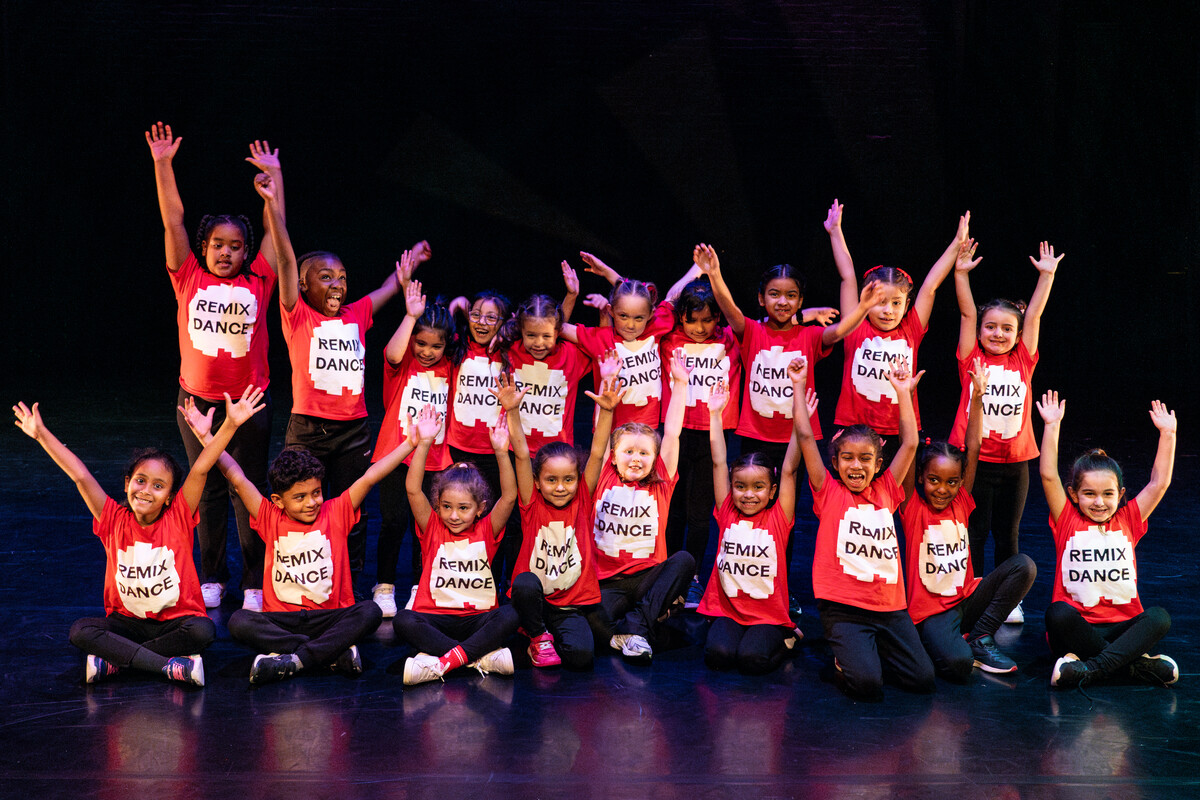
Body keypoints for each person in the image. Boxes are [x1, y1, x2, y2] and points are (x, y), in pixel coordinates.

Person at [12, 386, 266, 685]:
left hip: (176, 623)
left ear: (170, 496)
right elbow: (80, 475)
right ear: (127, 483)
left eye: (158, 486)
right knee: (81, 631)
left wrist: (230, 424)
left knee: (203, 631)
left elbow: (201, 468)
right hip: (127, 625)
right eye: (140, 480)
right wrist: (41, 435)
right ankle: (167, 666)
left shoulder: (179, 515)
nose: (146, 491)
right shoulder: (112, 519)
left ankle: (117, 661)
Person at [180, 396, 420, 684]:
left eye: (316, 492)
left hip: (330, 617)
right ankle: (331, 653)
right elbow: (236, 476)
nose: (311, 502)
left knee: (369, 611)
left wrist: (410, 444)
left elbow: (370, 477)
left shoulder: (337, 511)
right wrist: (207, 437)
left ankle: (293, 658)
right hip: (283, 620)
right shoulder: (269, 516)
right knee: (239, 621)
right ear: (278, 500)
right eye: (300, 497)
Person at [274, 160, 431, 589]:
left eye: (342, 277)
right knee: (301, 501)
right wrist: (272, 205)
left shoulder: (356, 312)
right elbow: (285, 260)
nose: (337, 284)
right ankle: (301, 578)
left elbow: (388, 289)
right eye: (325, 277)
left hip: (353, 432)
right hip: (307, 428)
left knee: (352, 509)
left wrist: (411, 264)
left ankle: (350, 584)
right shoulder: (297, 314)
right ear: (303, 286)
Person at [147, 121, 282, 612]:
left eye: (236, 245)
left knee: (248, 489)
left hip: (248, 404)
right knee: (206, 490)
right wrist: (163, 165)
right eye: (218, 244)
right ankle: (213, 576)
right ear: (204, 248)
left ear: (247, 251)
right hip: (196, 403)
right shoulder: (187, 277)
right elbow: (173, 223)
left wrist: (274, 184)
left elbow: (277, 234)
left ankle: (253, 580)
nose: (226, 252)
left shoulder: (260, 280)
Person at [795, 355, 935, 700]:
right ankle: (849, 657)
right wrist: (798, 387)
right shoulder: (828, 491)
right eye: (847, 458)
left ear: (878, 464)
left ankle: (868, 650)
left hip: (888, 607)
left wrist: (902, 393)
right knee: (867, 686)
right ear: (835, 462)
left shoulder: (887, 488)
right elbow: (804, 436)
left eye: (865, 458)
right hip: (843, 608)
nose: (855, 465)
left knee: (922, 679)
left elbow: (911, 443)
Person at [901, 360, 1035, 680]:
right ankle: (936, 641)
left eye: (951, 481)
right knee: (959, 665)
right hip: (932, 612)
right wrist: (906, 397)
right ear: (920, 478)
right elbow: (909, 447)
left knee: (1024, 566)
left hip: (966, 600)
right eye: (934, 480)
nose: (942, 489)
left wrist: (977, 398)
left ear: (961, 482)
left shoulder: (961, 500)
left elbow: (973, 447)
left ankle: (979, 636)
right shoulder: (912, 508)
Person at [1037, 392, 1180, 690]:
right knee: (1057, 614)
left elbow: (1159, 483)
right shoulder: (1066, 519)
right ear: (1074, 494)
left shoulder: (1129, 519)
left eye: (1108, 494)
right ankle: (1135, 665)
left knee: (1159, 618)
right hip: (1077, 630)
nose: (1099, 502)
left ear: (1121, 494)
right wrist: (1052, 425)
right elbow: (1048, 475)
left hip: (1123, 629)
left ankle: (1089, 669)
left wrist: (1168, 434)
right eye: (1089, 494)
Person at [951, 239, 1061, 625]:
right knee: (976, 531)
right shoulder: (971, 358)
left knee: (1008, 534)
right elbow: (967, 312)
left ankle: (1007, 600)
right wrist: (961, 275)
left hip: (1015, 464)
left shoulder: (1023, 360)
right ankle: (974, 595)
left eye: (1007, 328)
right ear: (980, 330)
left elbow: (1035, 315)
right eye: (991, 327)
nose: (998, 333)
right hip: (975, 462)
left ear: (1017, 334)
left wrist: (1046, 277)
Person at [827, 201, 970, 462]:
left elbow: (930, 286)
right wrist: (836, 231)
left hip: (900, 430)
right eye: (880, 302)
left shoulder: (911, 329)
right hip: (854, 428)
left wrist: (956, 244)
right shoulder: (854, 326)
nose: (888, 310)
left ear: (906, 305)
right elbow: (847, 276)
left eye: (896, 303)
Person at [504, 369, 623, 670]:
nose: (560, 487)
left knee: (582, 657)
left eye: (568, 479)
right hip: (534, 599)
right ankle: (536, 634)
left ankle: (548, 631)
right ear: (538, 482)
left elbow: (597, 453)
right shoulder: (531, 502)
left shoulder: (582, 499)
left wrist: (607, 413)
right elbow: (521, 455)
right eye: (551, 480)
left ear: (577, 480)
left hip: (567, 605)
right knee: (525, 583)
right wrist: (513, 411)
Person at [394, 406, 521, 685]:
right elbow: (413, 489)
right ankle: (479, 658)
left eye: (463, 508)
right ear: (437, 505)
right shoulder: (432, 527)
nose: (453, 515)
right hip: (435, 619)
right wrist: (424, 443)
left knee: (511, 613)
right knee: (404, 620)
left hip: (479, 619)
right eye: (446, 507)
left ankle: (442, 662)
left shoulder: (487, 528)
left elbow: (510, 496)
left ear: (480, 509)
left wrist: (502, 453)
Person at [696, 372, 812, 674]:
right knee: (718, 655)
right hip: (729, 611)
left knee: (752, 660)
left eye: (758, 487)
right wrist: (715, 415)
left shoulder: (778, 517)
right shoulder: (726, 511)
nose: (748, 494)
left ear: (772, 491)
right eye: (740, 487)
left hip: (767, 615)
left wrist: (800, 422)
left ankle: (789, 637)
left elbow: (789, 469)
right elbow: (718, 461)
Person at [587, 349, 695, 662]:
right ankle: (642, 628)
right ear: (614, 456)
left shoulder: (661, 481)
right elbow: (599, 441)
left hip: (649, 578)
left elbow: (672, 433)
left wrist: (680, 384)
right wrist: (607, 384)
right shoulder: (604, 475)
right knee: (588, 621)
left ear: (655, 458)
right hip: (609, 582)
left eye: (644, 454)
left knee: (684, 559)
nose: (636, 459)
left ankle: (636, 625)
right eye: (628, 452)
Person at [373, 275, 458, 616]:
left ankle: (420, 586)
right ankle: (384, 586)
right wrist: (410, 317)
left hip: (436, 460)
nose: (426, 351)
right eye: (421, 343)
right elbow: (393, 352)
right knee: (393, 522)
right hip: (396, 455)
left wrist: (457, 309)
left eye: (435, 346)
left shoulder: (451, 366)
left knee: (425, 527)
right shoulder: (404, 360)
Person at [658, 277, 742, 606]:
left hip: (713, 435)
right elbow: (663, 302)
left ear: (717, 317)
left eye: (707, 320)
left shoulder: (730, 338)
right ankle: (668, 572)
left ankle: (692, 577)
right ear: (681, 317)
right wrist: (695, 269)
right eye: (692, 320)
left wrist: (806, 315)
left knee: (699, 513)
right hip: (676, 433)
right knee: (673, 509)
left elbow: (759, 326)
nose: (699, 327)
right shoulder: (668, 338)